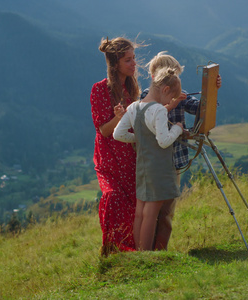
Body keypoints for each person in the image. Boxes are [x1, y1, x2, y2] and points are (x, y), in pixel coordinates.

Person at [140, 51, 222, 250]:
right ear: (155, 78)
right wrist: (172, 104)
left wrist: (213, 90)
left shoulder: (179, 92)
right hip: (155, 163)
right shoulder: (146, 97)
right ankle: (147, 252)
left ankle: (161, 251)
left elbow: (199, 108)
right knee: (153, 210)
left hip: (174, 161)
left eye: (176, 76)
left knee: (168, 210)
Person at [113, 66, 184, 251]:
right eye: (171, 98)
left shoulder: (134, 107)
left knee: (140, 213)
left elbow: (118, 134)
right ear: (166, 90)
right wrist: (177, 128)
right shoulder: (159, 110)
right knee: (151, 213)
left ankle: (139, 252)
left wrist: (138, 138)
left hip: (142, 167)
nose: (170, 102)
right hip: (158, 169)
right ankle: (146, 255)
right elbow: (163, 141)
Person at [90, 37, 140, 256]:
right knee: (113, 197)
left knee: (133, 204)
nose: (133, 64)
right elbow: (103, 130)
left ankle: (130, 251)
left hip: (129, 156)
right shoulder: (100, 89)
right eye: (128, 60)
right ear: (115, 63)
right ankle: (111, 250)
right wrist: (118, 117)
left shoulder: (131, 88)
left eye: (134, 58)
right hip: (109, 158)